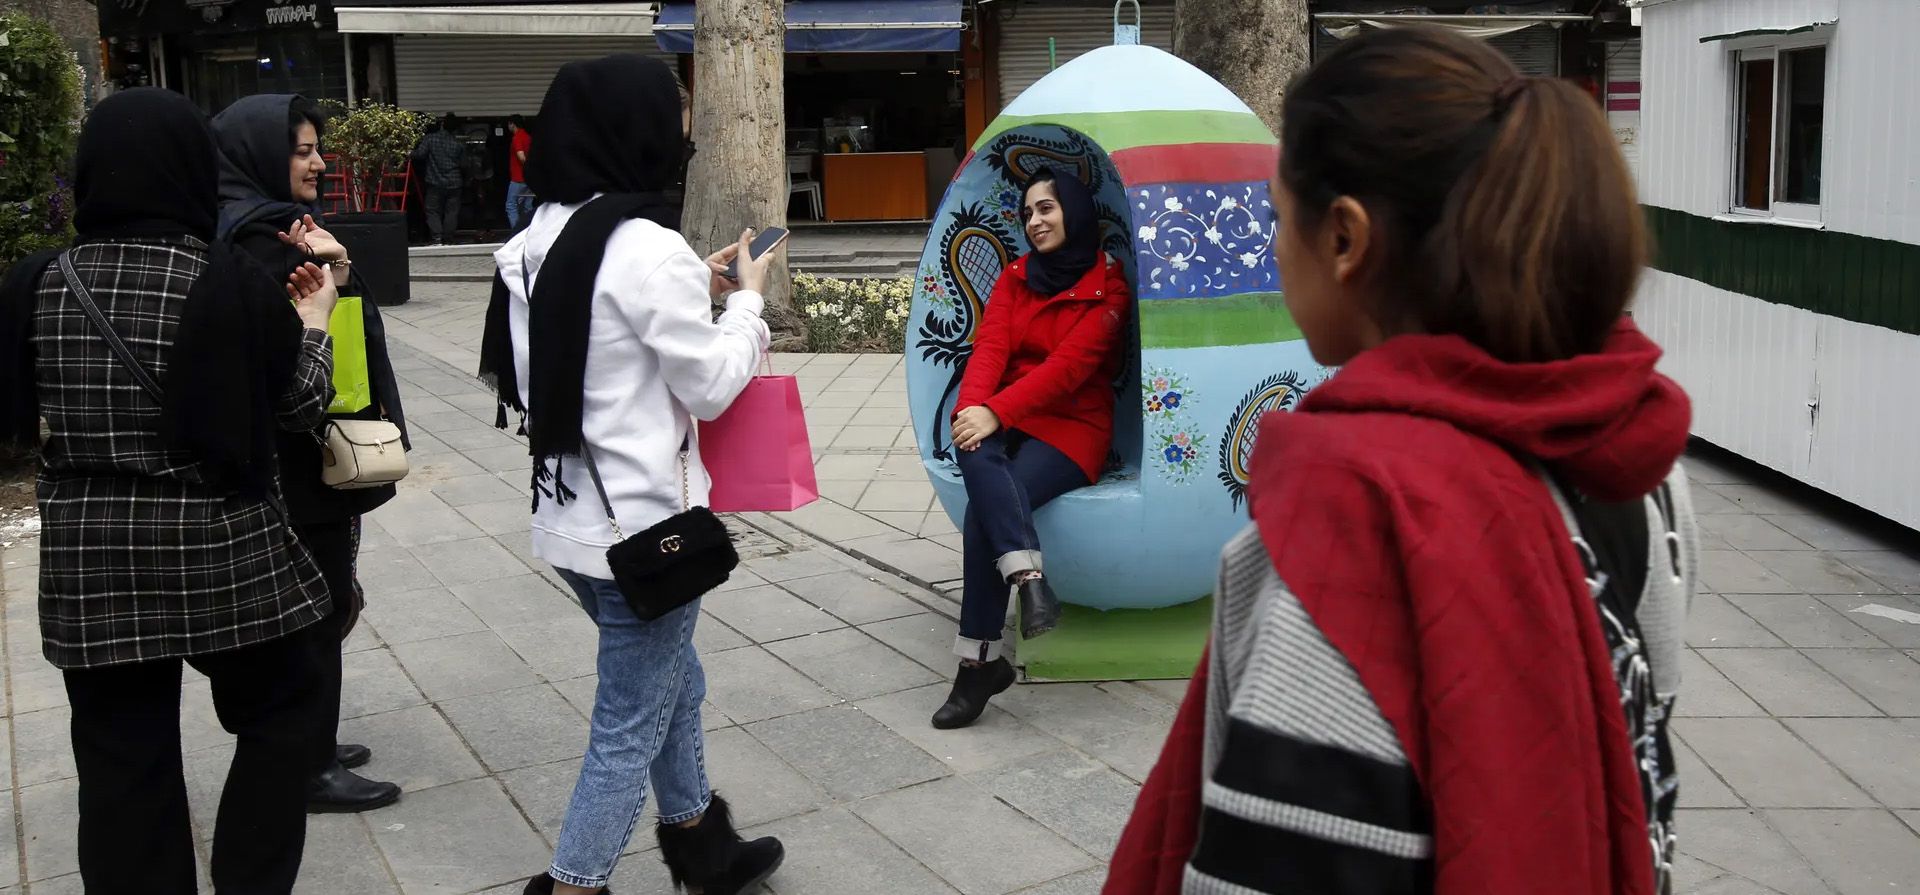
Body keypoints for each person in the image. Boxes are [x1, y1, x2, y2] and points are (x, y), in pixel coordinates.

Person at [1103, 26, 1697, 895]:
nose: (1273, 249)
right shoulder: (1641, 466)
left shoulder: (1350, 538)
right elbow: (1642, 742)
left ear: (1344, 238)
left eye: (1277, 217)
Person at [0, 88, 342, 894]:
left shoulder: (35, 284)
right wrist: (320, 319)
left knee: (120, 758)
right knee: (281, 715)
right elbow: (299, 405)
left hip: (91, 558)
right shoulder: (225, 278)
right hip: (222, 546)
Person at [476, 54, 786, 895]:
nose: (682, 137)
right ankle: (575, 885)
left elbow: (592, 346)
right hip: (650, 528)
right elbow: (713, 387)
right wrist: (745, 303)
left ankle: (703, 847)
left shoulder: (538, 237)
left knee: (674, 682)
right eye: (675, 119)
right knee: (628, 722)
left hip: (571, 521)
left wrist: (697, 280)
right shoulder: (647, 247)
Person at [213, 93, 410, 814]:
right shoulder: (266, 245)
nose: (319, 161)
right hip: (294, 463)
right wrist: (335, 288)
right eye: (301, 150)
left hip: (294, 460)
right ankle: (306, 764)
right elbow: (321, 374)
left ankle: (310, 743)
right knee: (314, 611)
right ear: (260, 154)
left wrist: (344, 270)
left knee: (321, 607)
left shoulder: (264, 232)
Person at [933, 168, 1131, 730]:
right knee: (973, 445)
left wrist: (993, 412)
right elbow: (989, 351)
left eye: (1046, 208)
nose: (1035, 221)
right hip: (1004, 417)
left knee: (983, 510)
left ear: (1074, 210)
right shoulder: (1016, 278)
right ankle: (1029, 581)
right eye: (1027, 213)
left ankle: (978, 665)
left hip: (1071, 427)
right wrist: (973, 411)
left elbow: (1070, 371)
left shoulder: (1107, 286)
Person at [413, 114, 465, 244]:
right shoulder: (458, 143)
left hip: (434, 181)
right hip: (454, 182)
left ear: (442, 124)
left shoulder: (430, 139)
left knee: (432, 209)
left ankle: (436, 236)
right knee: (451, 211)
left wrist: (407, 153)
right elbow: (464, 164)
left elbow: (419, 154)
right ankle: (448, 237)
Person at [506, 115, 534, 230]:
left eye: (509, 124)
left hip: (518, 179)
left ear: (512, 124)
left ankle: (517, 234)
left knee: (511, 205)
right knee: (527, 207)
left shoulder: (517, 137)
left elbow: (521, 156)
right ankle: (529, 231)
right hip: (529, 179)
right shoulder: (528, 137)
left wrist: (526, 169)